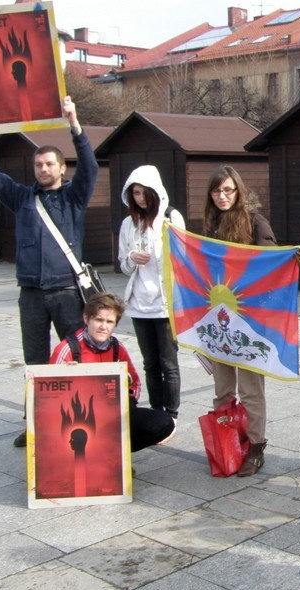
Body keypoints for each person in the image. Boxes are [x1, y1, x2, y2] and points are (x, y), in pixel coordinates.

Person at [0, 97, 99, 448]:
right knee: (35, 361)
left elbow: (90, 167)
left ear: (62, 169)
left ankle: (79, 420)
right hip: (30, 294)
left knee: (76, 357)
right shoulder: (21, 198)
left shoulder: (74, 198)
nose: (43, 169)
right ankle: (35, 424)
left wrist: (74, 124)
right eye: (38, 164)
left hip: (65, 293)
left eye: (49, 164)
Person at [203, 165, 300, 477]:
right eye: (217, 191)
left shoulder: (255, 221)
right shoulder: (210, 224)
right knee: (222, 390)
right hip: (219, 321)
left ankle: (256, 447)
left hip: (248, 322)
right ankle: (229, 442)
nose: (222, 196)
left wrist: (287, 258)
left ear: (239, 192)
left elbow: (269, 260)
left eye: (228, 190)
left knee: (250, 390)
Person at [50, 292, 176, 452]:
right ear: (87, 319)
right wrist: (66, 377)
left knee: (164, 423)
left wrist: (122, 403)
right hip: (77, 418)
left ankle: (113, 454)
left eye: (110, 322)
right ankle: (87, 455)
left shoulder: (117, 347)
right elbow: (48, 395)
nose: (104, 326)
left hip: (112, 412)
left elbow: (134, 384)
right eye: (99, 320)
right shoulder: (67, 348)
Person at [118, 166, 185, 422]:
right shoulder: (128, 224)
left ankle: (172, 414)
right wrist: (131, 258)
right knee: (150, 363)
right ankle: (156, 412)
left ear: (156, 192)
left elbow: (185, 258)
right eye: (135, 193)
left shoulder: (171, 217)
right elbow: (123, 266)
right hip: (138, 304)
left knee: (169, 362)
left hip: (166, 303)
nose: (141, 198)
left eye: (145, 192)